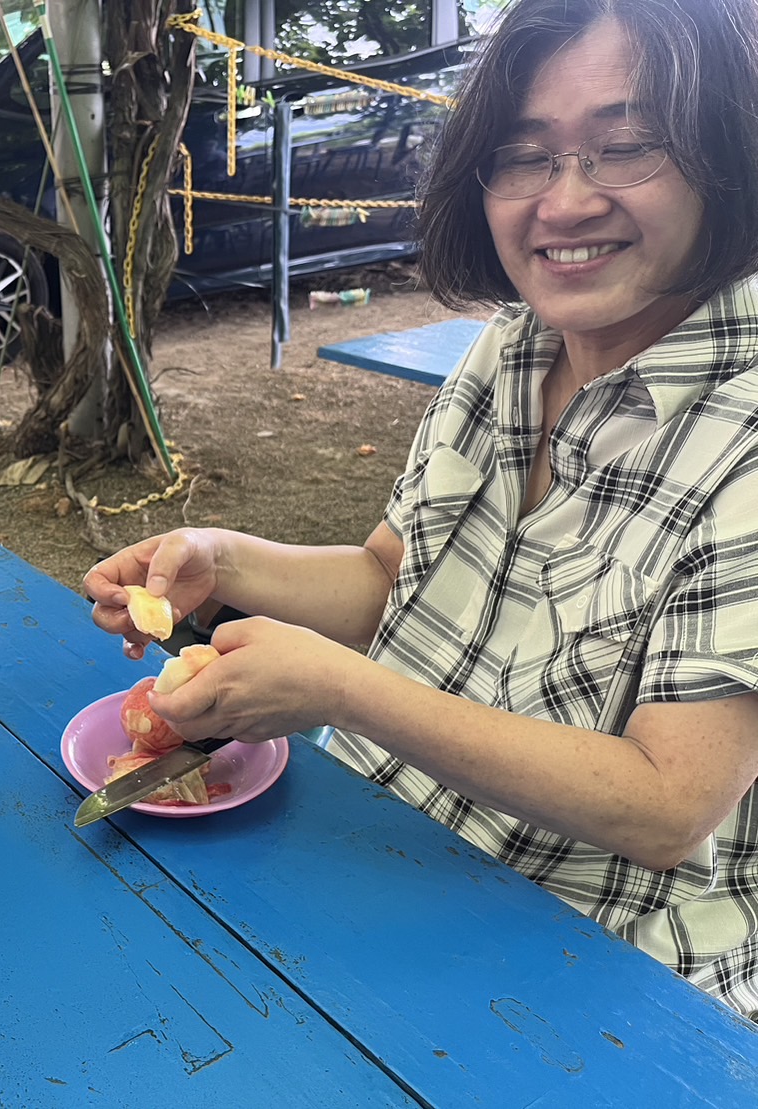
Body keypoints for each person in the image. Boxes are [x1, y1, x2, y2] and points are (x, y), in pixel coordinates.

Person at [85, 0, 758, 1018]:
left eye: (624, 147)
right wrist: (221, 557)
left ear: (726, 156)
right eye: (526, 156)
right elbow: (394, 575)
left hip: (594, 963)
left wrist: (346, 692)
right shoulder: (513, 346)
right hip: (386, 841)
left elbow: (670, 804)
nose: (565, 202)